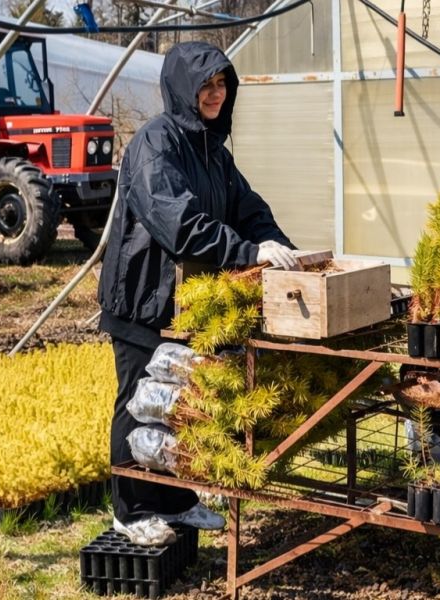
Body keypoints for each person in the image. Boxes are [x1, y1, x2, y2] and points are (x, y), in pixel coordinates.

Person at [98, 41, 297, 546]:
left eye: (221, 84)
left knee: (180, 404)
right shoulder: (154, 144)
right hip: (143, 299)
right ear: (184, 90)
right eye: (205, 85)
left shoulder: (213, 151)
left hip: (186, 305)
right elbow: (180, 225)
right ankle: (131, 507)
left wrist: (277, 246)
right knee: (137, 401)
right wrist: (247, 254)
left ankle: (179, 501)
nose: (215, 94)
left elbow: (247, 207)